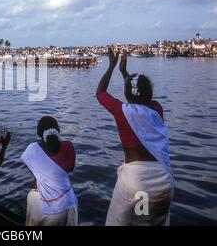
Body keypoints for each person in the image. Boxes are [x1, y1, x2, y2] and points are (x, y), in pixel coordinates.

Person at [96, 48, 174, 226]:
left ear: (126, 94)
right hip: (163, 180)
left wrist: (111, 67)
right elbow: (139, 98)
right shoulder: (157, 110)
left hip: (137, 184)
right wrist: (124, 73)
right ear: (150, 95)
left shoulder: (122, 111)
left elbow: (100, 93)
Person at [21, 116, 78, 226]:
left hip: (40, 204)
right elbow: (70, 168)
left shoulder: (32, 149)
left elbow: (33, 172)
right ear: (58, 130)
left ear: (38, 133)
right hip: (68, 202)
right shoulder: (68, 145)